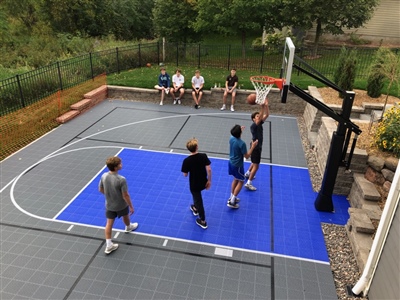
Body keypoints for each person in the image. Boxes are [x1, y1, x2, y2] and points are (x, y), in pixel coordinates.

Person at [99, 156, 138, 254]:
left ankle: (109, 245)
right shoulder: (121, 179)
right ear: (116, 167)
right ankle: (128, 227)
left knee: (109, 224)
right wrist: (131, 206)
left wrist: (110, 196)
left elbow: (100, 189)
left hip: (109, 205)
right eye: (120, 164)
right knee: (125, 215)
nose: (121, 164)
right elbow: (125, 195)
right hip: (121, 205)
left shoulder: (104, 176)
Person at [181, 138, 212, 229]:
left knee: (199, 200)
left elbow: (185, 174)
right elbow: (209, 170)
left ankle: (203, 221)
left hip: (194, 184)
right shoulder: (203, 156)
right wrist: (209, 181)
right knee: (197, 199)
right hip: (203, 182)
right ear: (197, 147)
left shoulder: (186, 161)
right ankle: (195, 207)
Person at [227, 125, 258, 208]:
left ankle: (231, 197)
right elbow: (247, 156)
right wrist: (253, 147)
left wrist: (239, 130)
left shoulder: (231, 138)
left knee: (235, 179)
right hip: (238, 166)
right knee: (241, 181)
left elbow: (235, 134)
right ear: (239, 133)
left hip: (231, 163)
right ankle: (232, 201)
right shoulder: (242, 144)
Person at [245, 101, 270, 191]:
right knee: (256, 165)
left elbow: (267, 115)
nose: (259, 116)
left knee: (253, 162)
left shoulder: (259, 124)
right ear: (253, 119)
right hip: (255, 147)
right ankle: (249, 183)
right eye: (257, 116)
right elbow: (261, 116)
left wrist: (266, 106)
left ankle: (248, 173)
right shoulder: (253, 126)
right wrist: (262, 107)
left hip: (257, 146)